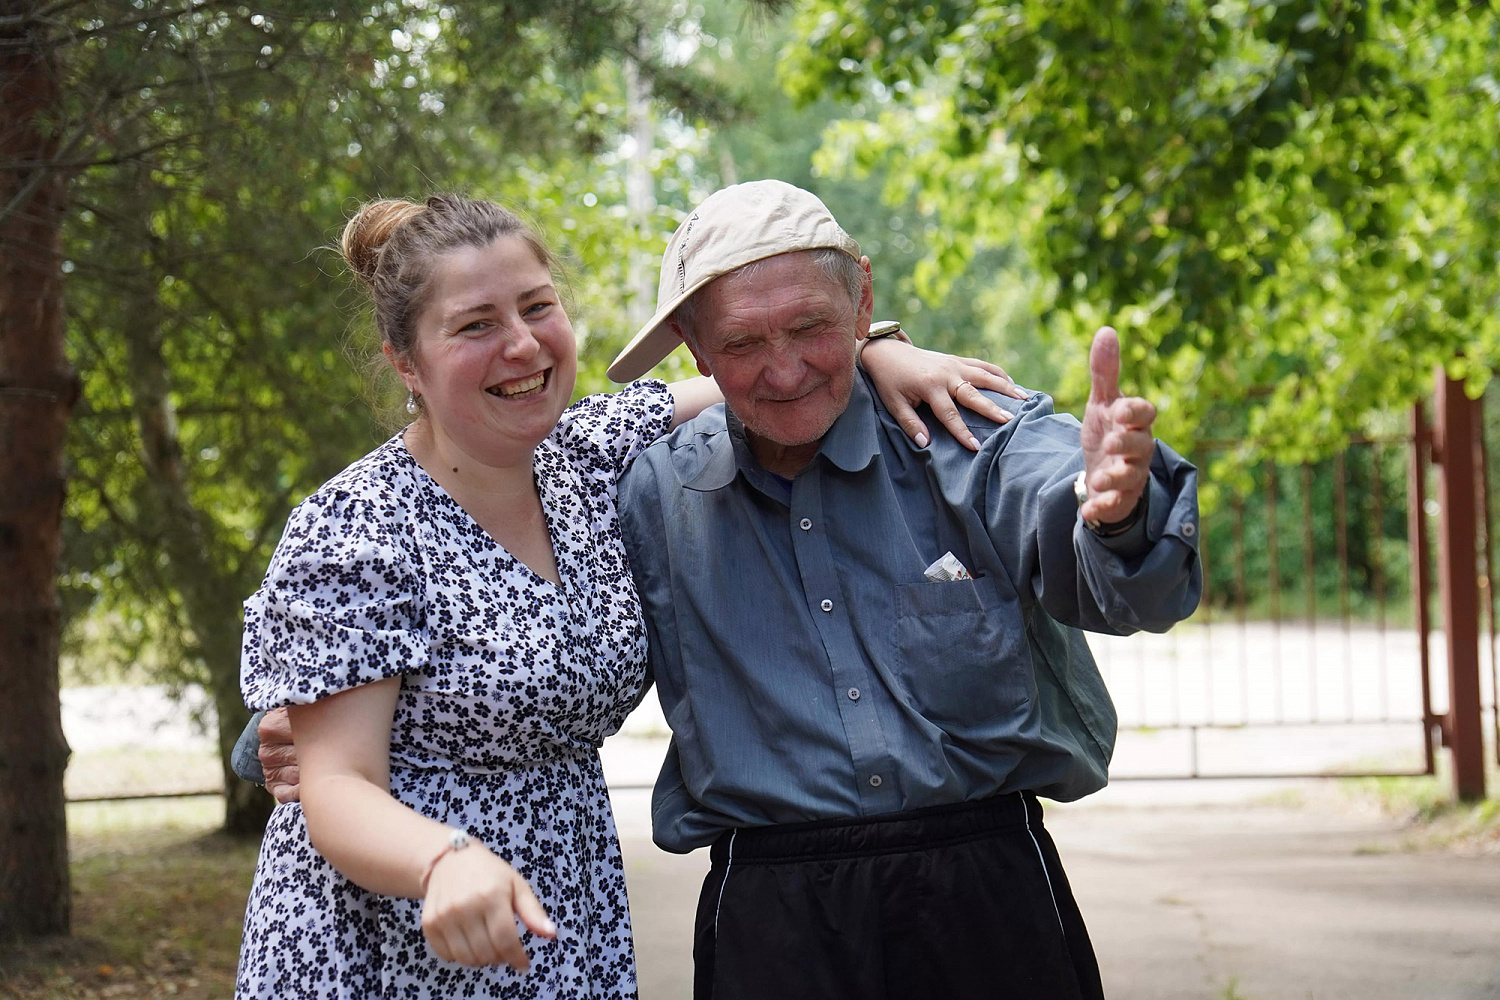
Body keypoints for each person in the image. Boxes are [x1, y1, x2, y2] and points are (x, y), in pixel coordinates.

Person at [232, 191, 1021, 1000]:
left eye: (537, 308)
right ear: (406, 361)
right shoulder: (354, 528)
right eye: (475, 325)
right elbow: (335, 787)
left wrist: (881, 349)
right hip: (399, 940)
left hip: (566, 925)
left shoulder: (590, 455)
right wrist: (443, 861)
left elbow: (764, 379)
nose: (521, 344)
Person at [602, 179, 1203, 1000]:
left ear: (862, 303)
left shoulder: (969, 433)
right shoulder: (646, 494)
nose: (784, 371)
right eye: (743, 344)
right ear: (694, 349)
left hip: (990, 898)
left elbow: (1118, 569)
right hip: (771, 920)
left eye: (812, 325)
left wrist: (1119, 512)